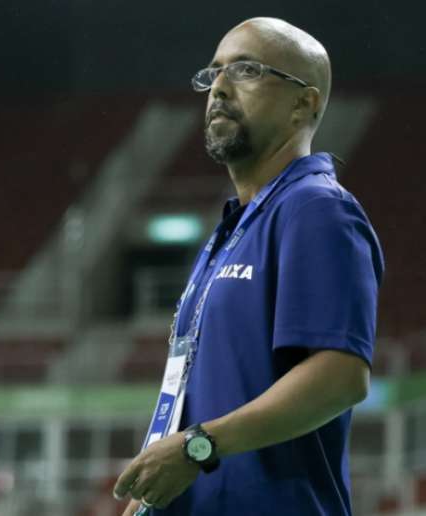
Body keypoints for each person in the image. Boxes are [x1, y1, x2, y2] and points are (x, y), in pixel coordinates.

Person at [113, 17, 384, 516]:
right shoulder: (231, 230)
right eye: (213, 73)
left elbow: (341, 375)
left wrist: (199, 446)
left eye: (245, 70)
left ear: (304, 102)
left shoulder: (316, 208)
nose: (218, 87)